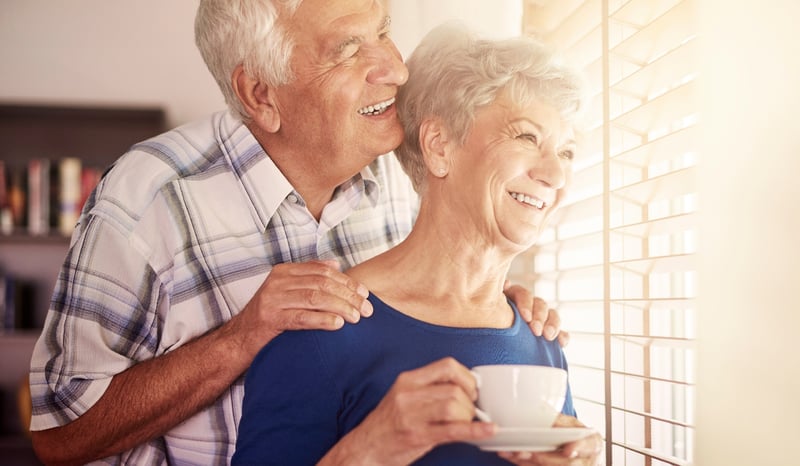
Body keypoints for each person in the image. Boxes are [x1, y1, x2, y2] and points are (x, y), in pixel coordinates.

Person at [27, 1, 563, 464]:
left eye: (382, 31)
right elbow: (60, 436)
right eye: (349, 49)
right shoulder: (150, 198)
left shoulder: (395, 171)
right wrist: (240, 338)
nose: (396, 69)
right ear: (260, 94)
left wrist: (487, 304)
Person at [233, 22, 603, 466]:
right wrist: (368, 451)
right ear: (440, 145)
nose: (555, 175)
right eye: (527, 137)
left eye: (566, 152)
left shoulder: (542, 341)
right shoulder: (322, 332)